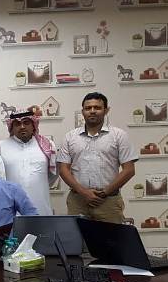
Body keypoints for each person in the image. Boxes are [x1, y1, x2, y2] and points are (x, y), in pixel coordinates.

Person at [57, 92, 138, 223]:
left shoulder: (119, 136)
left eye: (97, 107)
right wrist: (84, 192)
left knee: (110, 237)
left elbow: (129, 170)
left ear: (106, 110)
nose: (92, 111)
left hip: (109, 201)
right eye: (88, 108)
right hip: (78, 201)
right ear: (83, 112)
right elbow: (63, 169)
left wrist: (105, 193)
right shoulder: (70, 137)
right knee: (78, 237)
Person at [0, 110, 57, 216]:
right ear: (11, 127)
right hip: (11, 210)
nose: (22, 127)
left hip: (41, 207)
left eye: (26, 123)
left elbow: (53, 175)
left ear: (33, 125)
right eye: (17, 124)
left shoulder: (47, 145)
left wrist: (37, 184)